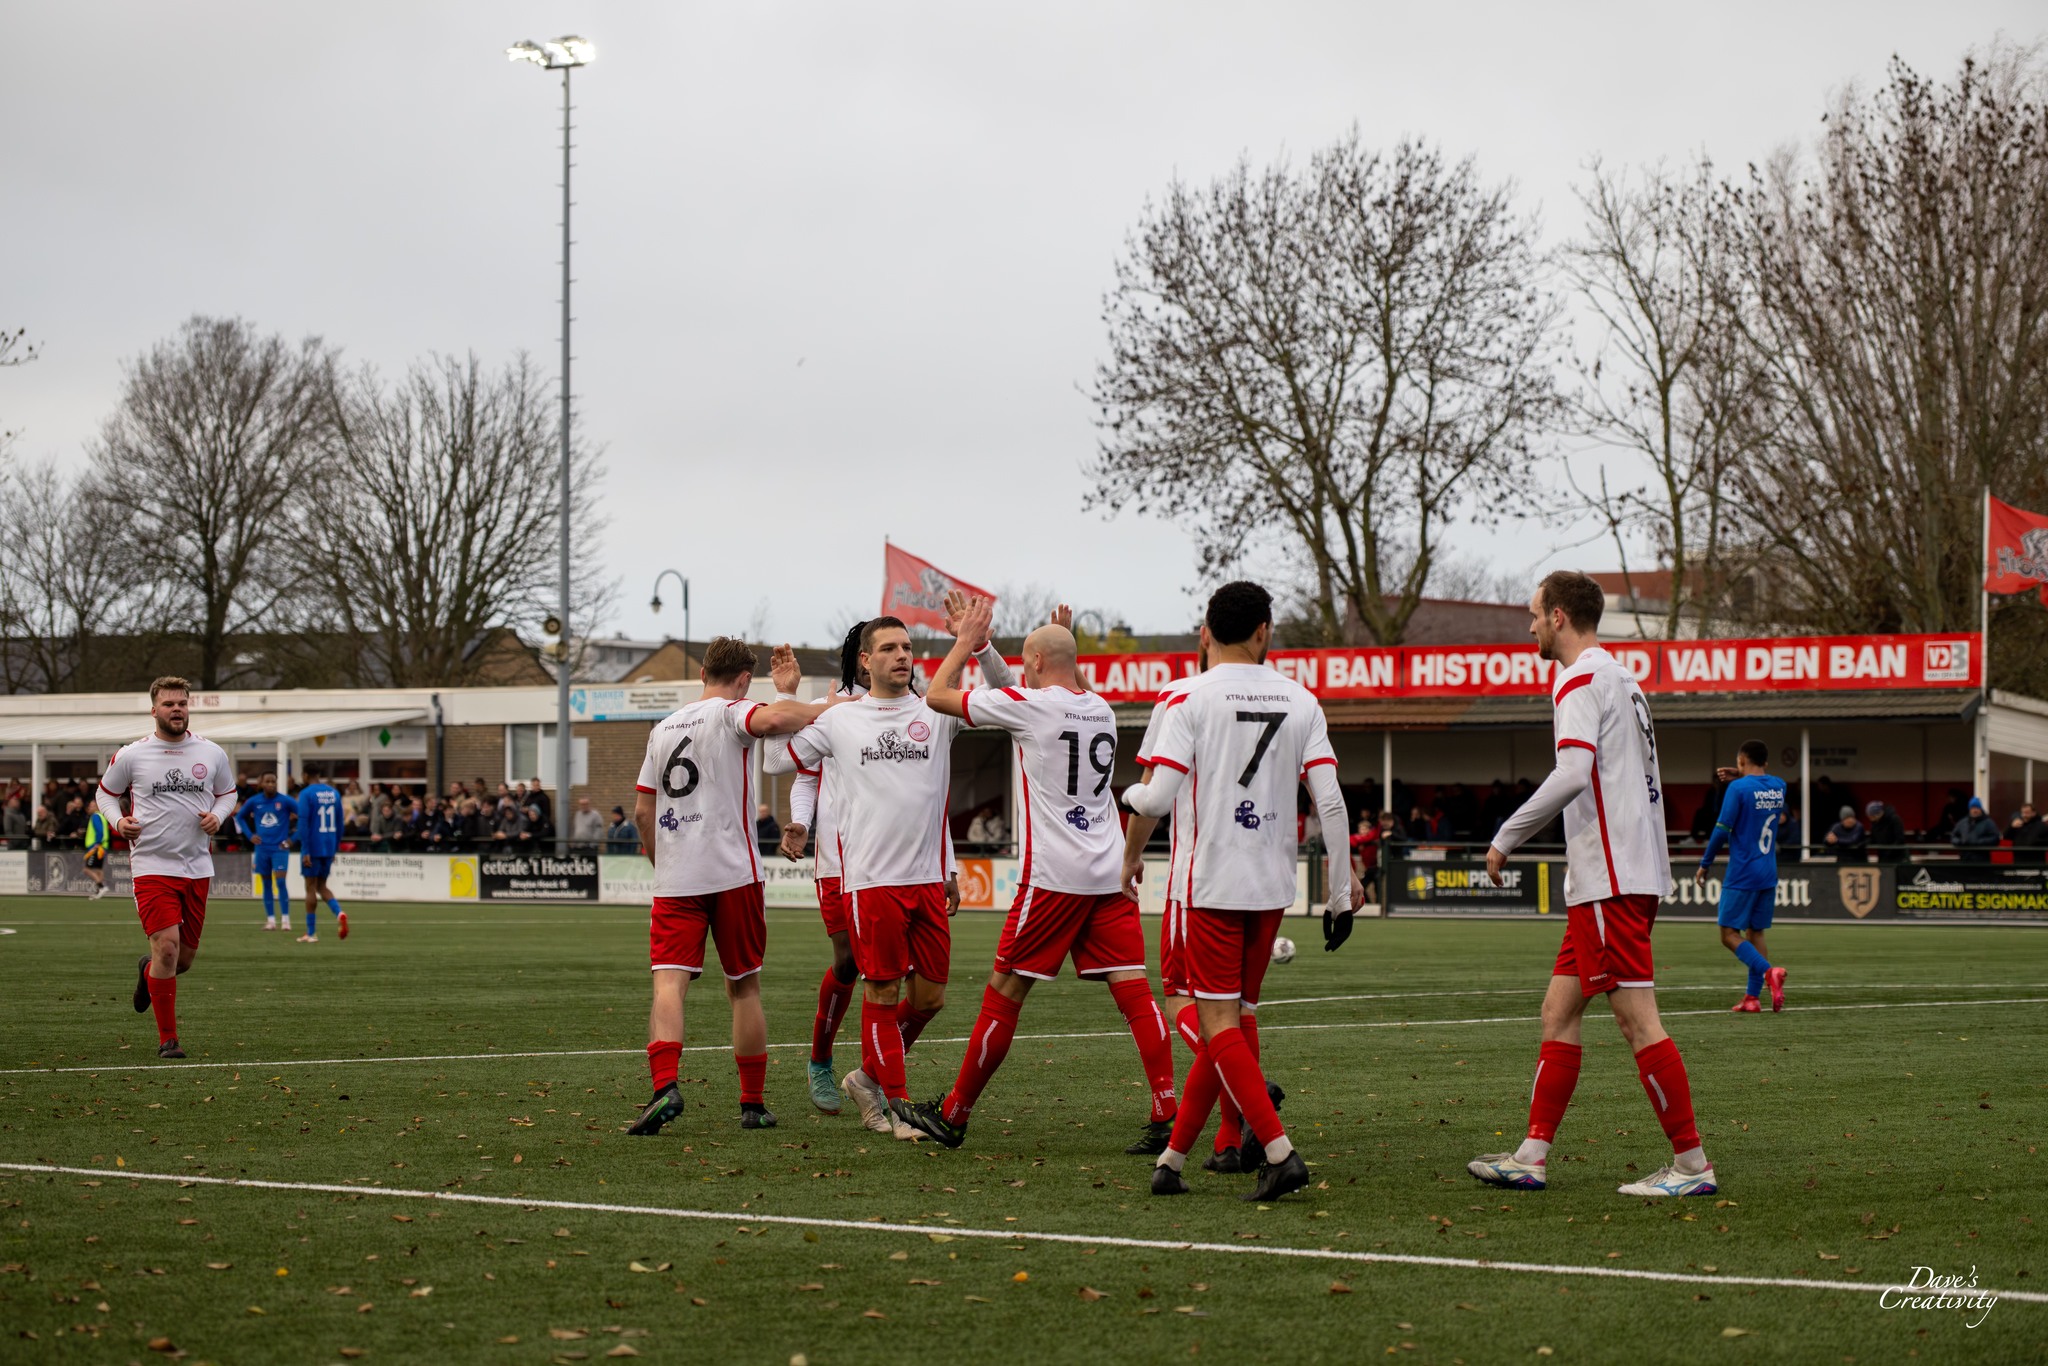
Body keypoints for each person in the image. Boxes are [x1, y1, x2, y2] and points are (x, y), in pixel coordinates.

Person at [899, 598, 1182, 1154]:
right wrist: (1023, 646)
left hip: (1053, 876)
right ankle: (1167, 1107)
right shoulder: (1098, 707)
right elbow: (1047, 682)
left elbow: (935, 698)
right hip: (1106, 872)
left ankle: (953, 1114)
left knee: (1004, 991)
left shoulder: (1031, 705)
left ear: (1031, 663)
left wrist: (965, 644)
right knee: (1133, 991)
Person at [1469, 571, 1714, 1199]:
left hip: (1611, 879)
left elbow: (1573, 772)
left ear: (1557, 617)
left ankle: (1691, 1166)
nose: (1528, 626)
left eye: (1532, 614)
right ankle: (1532, 1155)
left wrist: (1506, 835)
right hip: (1623, 875)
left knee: (1637, 1020)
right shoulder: (1624, 679)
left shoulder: (1578, 677)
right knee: (1559, 1011)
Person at [1122, 581, 1355, 1203]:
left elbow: (1157, 795)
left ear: (1208, 630)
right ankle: (1175, 1159)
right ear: (1263, 632)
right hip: (1272, 883)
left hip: (1212, 880)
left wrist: (1125, 799)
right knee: (1237, 1019)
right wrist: (1340, 889)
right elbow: (1329, 800)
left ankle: (1278, 1153)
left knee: (1215, 1020)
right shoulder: (1302, 699)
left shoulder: (1187, 697)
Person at [773, 599, 1000, 1119]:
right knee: (858, 969)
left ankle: (870, 1073)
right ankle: (838, 1070)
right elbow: (791, 767)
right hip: (851, 864)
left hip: (920, 871)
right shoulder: (836, 713)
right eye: (888, 648)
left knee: (929, 998)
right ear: (863, 660)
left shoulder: (932, 708)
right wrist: (793, 701)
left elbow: (928, 796)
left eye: (907, 647)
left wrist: (949, 865)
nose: (901, 656)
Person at [626, 638, 834, 1137]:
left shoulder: (662, 728)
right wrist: (832, 706)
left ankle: (664, 1088)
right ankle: (752, 1104)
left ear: (701, 672)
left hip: (677, 878)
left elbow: (640, 811)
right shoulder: (733, 711)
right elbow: (777, 723)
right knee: (743, 987)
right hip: (734, 874)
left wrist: (662, 862)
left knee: (668, 985)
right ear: (744, 679)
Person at [95, 677, 240, 1060]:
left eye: (182, 703)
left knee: (183, 960)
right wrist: (118, 822)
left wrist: (218, 816)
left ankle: (148, 973)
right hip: (151, 866)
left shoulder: (211, 753)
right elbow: (105, 793)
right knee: (168, 949)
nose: (177, 709)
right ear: (154, 710)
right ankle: (168, 1040)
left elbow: (229, 792)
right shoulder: (132, 754)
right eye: (169, 704)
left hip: (196, 867)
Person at [1695, 740, 1789, 1013]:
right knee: (1755, 932)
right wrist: (1741, 774)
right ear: (1766, 763)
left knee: (1728, 934)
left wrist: (1705, 863)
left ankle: (1769, 972)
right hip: (1768, 871)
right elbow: (1760, 786)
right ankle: (1752, 998)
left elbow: (1722, 829)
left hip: (1743, 871)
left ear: (1740, 761)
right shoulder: (1779, 786)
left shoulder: (1737, 789)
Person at [236, 772, 296, 930]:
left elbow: (304, 816)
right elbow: (240, 817)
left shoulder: (285, 800)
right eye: (267, 781)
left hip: (280, 849)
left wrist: (293, 838)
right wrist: (250, 835)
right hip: (262, 849)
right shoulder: (254, 801)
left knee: (281, 882)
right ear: (261, 784)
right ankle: (270, 920)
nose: (271, 784)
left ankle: (285, 920)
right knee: (266, 883)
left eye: (273, 781)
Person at [294, 775, 347, 942]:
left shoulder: (306, 793)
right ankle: (339, 913)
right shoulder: (334, 793)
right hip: (329, 846)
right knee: (322, 886)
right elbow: (340, 823)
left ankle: (310, 933)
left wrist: (306, 850)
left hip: (313, 847)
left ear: (305, 775)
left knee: (310, 888)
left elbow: (303, 823)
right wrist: (335, 848)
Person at [1951, 798, 2000, 863]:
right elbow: (1954, 836)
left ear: (1980, 808)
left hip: (1982, 861)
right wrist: (1960, 842)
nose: (1975, 810)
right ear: (1969, 809)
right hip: (1965, 860)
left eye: (1977, 807)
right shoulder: (1962, 822)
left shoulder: (1988, 823)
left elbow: (1995, 838)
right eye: (1973, 808)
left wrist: (1979, 842)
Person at [81, 803, 112, 899]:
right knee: (98, 869)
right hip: (103, 847)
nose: (89, 808)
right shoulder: (102, 816)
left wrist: (97, 843)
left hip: (96, 848)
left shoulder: (95, 816)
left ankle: (101, 887)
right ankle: (99, 891)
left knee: (87, 869)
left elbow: (100, 831)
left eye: (91, 806)